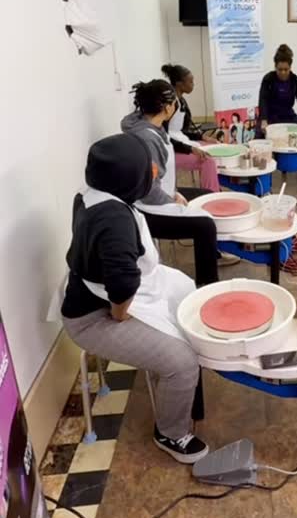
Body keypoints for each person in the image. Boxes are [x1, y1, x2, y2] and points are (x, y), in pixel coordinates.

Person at [61, 134, 208, 463]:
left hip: (105, 294)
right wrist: (120, 314)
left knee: (190, 300)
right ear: (128, 178)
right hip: (94, 318)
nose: (153, 172)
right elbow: (122, 287)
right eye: (147, 169)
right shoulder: (113, 219)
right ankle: (171, 433)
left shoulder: (92, 195)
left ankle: (181, 389)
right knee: (183, 362)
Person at [121, 80, 220, 286]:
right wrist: (173, 200)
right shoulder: (147, 138)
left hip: (163, 193)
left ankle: (215, 250)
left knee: (210, 198)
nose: (176, 106)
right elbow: (149, 190)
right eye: (174, 103)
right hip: (150, 208)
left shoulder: (149, 123)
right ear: (166, 108)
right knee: (206, 226)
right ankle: (207, 285)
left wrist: (174, 193)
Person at [160, 63, 220, 192]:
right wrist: (190, 148)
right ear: (179, 84)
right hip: (170, 150)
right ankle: (211, 196)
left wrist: (202, 137)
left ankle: (213, 185)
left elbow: (182, 130)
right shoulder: (170, 104)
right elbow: (165, 137)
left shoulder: (181, 101)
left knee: (213, 149)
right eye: (190, 82)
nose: (193, 84)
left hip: (180, 142)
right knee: (208, 161)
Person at [258, 44, 297, 135]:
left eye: (286, 69)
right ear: (275, 67)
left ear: (290, 67)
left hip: (288, 116)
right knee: (260, 138)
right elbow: (263, 100)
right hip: (270, 117)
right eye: (280, 69)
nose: (283, 72)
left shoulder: (295, 81)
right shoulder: (268, 79)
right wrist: (264, 120)